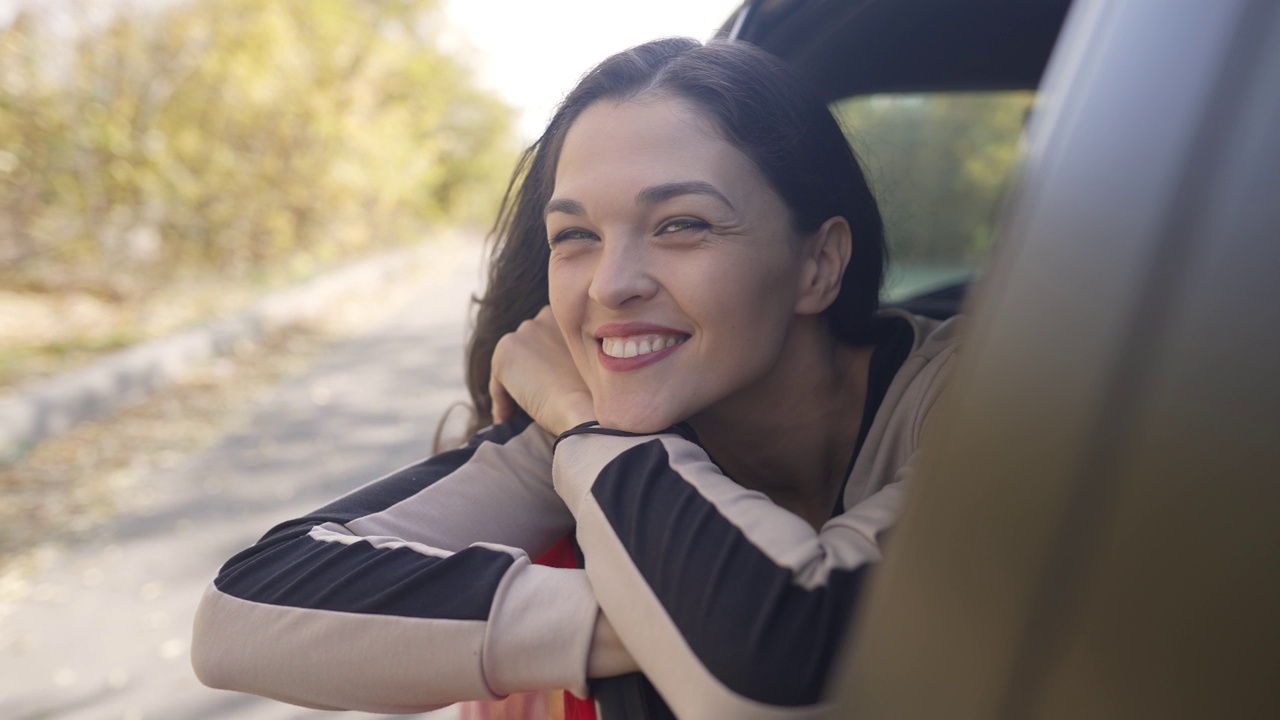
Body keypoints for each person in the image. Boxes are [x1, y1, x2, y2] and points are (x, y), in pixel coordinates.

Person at [191, 37, 960, 719]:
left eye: (681, 224)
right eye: (577, 236)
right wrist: (662, 614)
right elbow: (240, 616)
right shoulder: (585, 425)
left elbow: (773, 667)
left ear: (818, 263)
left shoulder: (984, 407)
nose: (609, 285)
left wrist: (585, 432)